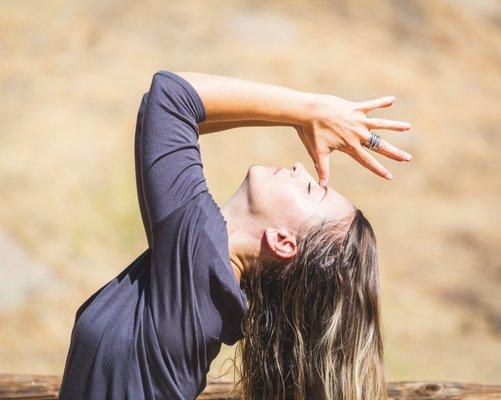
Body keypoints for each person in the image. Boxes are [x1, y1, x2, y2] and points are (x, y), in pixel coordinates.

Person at [59, 70, 411, 400]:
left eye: (308, 189)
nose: (298, 167)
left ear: (283, 241)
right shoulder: (196, 278)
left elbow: (171, 96)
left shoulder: (201, 265)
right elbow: (161, 112)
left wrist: (309, 111)